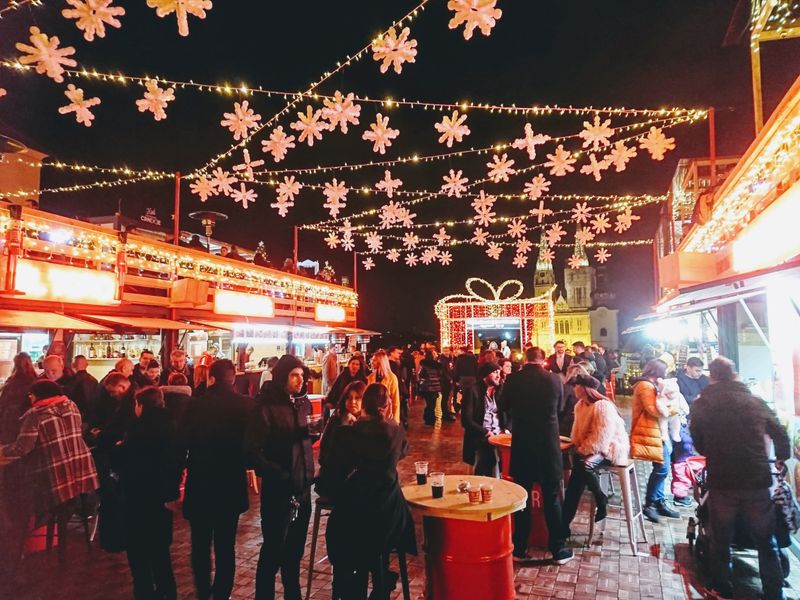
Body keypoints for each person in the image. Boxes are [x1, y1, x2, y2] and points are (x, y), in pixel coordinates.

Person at [691, 357, 790, 600]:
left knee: (721, 538)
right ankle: (774, 592)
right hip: (756, 478)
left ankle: (722, 587)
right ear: (735, 375)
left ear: (711, 376)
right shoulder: (754, 402)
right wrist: (781, 458)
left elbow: (699, 443)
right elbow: (779, 432)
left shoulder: (703, 404)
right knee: (766, 541)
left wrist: (713, 450)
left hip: (722, 479)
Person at [325, 383, 415, 600]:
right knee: (374, 548)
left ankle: (355, 588)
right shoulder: (396, 430)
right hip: (391, 517)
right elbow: (404, 449)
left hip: (358, 516)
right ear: (387, 406)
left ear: (363, 405)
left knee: (343, 536)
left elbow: (331, 472)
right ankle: (382, 583)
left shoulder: (346, 433)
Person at [245, 355, 319, 600]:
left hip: (303, 489)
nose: (300, 380)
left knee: (295, 553)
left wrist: (313, 436)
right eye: (294, 375)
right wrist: (278, 473)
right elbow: (252, 451)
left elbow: (302, 442)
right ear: (282, 377)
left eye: (302, 375)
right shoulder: (265, 407)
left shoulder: (303, 404)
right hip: (279, 491)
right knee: (273, 552)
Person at [181, 359, 253, 600]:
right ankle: (222, 592)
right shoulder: (245, 405)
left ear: (210, 378)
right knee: (225, 545)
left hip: (201, 481)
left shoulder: (195, 405)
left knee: (200, 544)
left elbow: (184, 441)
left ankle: (203, 592)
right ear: (233, 378)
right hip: (230, 482)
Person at [500, 347, 572, 564]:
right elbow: (560, 408)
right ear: (543, 360)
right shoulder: (555, 380)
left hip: (523, 442)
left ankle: (520, 547)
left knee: (522, 497)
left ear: (526, 359)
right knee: (552, 497)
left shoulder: (514, 379)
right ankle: (558, 549)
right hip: (548, 443)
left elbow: (503, 405)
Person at [115, 386, 183, 600]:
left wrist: (119, 448)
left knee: (138, 556)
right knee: (161, 555)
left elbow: (125, 462)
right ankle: (168, 593)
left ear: (141, 405)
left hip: (138, 498)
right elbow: (176, 462)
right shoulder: (172, 425)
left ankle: (145, 594)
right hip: (162, 498)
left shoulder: (137, 429)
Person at [0, 379, 98, 515]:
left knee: (16, 485)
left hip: (54, 472)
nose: (30, 398)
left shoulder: (35, 414)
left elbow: (23, 448)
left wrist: (3, 450)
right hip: (80, 466)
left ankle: (37, 522)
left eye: (31, 394)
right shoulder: (72, 405)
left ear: (40, 394)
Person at [561, 374, 629, 536]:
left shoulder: (603, 406)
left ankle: (600, 498)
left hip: (611, 447)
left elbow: (602, 438)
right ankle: (564, 525)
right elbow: (578, 435)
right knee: (577, 475)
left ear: (584, 388)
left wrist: (581, 450)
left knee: (583, 466)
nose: (574, 389)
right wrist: (576, 446)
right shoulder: (580, 405)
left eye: (576, 386)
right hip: (592, 448)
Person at [629, 359, 680, 523]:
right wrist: (675, 408)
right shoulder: (645, 386)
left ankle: (658, 501)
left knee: (662, 467)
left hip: (657, 431)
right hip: (650, 430)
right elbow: (654, 410)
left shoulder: (649, 385)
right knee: (662, 468)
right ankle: (650, 503)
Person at [671, 356, 709, 506]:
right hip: (684, 421)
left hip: (702, 419)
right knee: (684, 454)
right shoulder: (678, 380)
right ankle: (682, 491)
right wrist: (695, 398)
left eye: (700, 370)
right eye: (696, 370)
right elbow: (678, 398)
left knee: (696, 455)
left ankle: (696, 481)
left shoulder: (704, 380)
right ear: (688, 367)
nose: (699, 373)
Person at [461, 361, 506, 476]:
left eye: (499, 373)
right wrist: (486, 432)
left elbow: (510, 412)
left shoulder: (501, 390)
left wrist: (506, 429)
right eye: (495, 372)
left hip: (500, 435)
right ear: (486, 374)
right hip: (481, 435)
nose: (498, 376)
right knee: (488, 457)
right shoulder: (473, 391)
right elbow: (466, 420)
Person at [0, 352, 37, 444]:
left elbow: (3, 403)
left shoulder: (11, 382)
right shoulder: (36, 380)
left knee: (8, 446)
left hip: (9, 420)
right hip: (27, 419)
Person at [558, 362, 596, 438]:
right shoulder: (593, 388)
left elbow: (559, 410)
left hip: (566, 428)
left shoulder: (567, 388)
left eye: (568, 372)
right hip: (584, 428)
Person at [367, 350, 401, 424]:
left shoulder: (392, 378)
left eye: (374, 360)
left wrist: (396, 420)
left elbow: (395, 400)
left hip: (387, 415)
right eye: (372, 360)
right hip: (372, 415)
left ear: (381, 362)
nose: (371, 362)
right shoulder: (370, 377)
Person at [418, 350, 446, 426]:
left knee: (428, 403)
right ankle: (431, 418)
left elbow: (421, 374)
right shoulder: (437, 365)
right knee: (433, 403)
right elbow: (440, 374)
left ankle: (428, 418)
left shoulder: (424, 365)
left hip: (427, 386)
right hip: (435, 386)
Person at [388, 346, 410, 429]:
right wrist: (402, 392)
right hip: (396, 391)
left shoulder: (394, 364)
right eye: (397, 353)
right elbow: (397, 379)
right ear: (391, 353)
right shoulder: (392, 365)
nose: (399, 355)